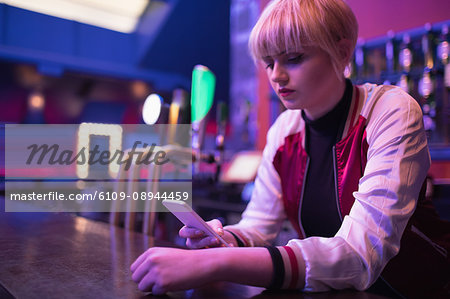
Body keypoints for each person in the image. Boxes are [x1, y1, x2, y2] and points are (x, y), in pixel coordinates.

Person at [130, 0, 450, 297]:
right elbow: (258, 225)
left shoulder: (391, 110)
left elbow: (359, 255)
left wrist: (214, 263)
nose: (276, 76)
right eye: (268, 63)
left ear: (342, 52)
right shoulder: (284, 130)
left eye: (294, 58)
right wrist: (226, 239)